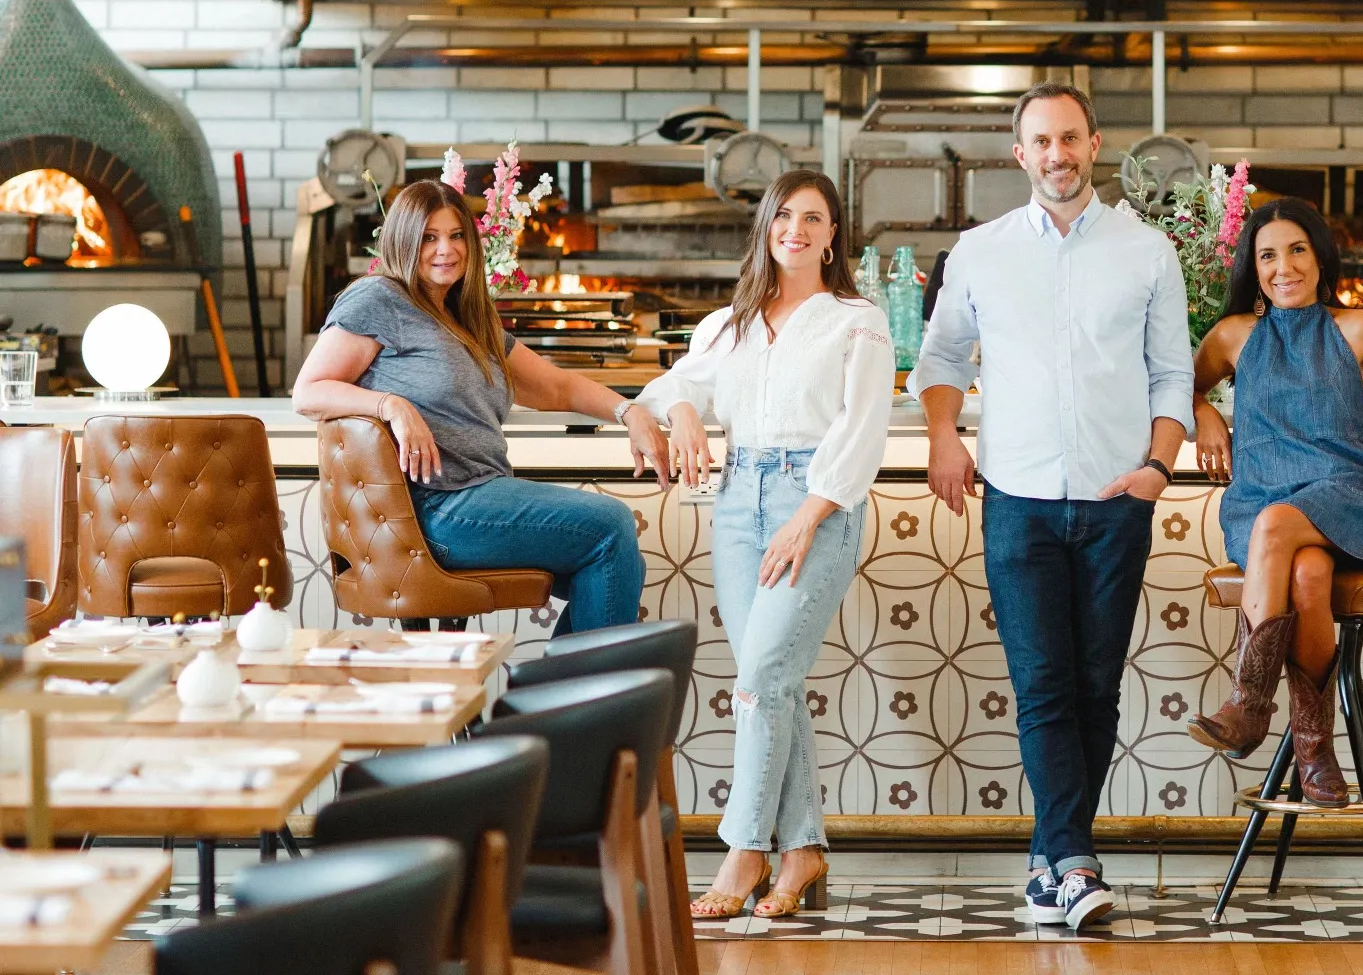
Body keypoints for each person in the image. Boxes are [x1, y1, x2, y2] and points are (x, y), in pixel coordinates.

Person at [910, 83, 1194, 932]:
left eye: (1069, 138)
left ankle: (1049, 864)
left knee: (1096, 688)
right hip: (1019, 502)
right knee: (1041, 688)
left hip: (1118, 500)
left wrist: (1158, 466)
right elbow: (940, 357)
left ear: (1095, 144)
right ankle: (1076, 862)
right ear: (1019, 153)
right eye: (1041, 141)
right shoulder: (979, 252)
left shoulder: (1147, 253)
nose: (1057, 155)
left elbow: (1172, 374)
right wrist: (942, 435)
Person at [636, 170, 894, 921]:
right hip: (735, 505)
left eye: (813, 218)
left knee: (759, 684)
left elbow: (863, 430)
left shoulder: (856, 319)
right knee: (768, 682)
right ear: (767, 228)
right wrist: (684, 410)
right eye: (784, 216)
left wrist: (808, 514)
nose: (797, 230)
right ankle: (803, 850)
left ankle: (744, 849)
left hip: (814, 503)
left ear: (833, 234)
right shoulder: (731, 323)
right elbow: (668, 387)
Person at [1186, 196, 1363, 806]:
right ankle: (1316, 752)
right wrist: (1202, 409)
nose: (1282, 267)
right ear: (1252, 268)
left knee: (1276, 528)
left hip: (1351, 499)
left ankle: (1248, 704)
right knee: (1309, 576)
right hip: (1265, 496)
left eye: (1296, 251)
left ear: (1320, 260)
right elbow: (1173, 388)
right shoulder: (1233, 336)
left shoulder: (1359, 329)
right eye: (1267, 256)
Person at [292, 179, 670, 635]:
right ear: (403, 240)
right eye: (429, 237)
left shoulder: (469, 314)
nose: (445, 250)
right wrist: (391, 404)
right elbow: (309, 391)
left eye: (455, 236)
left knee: (615, 563)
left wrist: (630, 412)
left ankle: (555, 703)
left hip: (478, 498)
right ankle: (581, 704)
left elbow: (556, 388)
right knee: (610, 527)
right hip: (432, 509)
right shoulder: (380, 298)